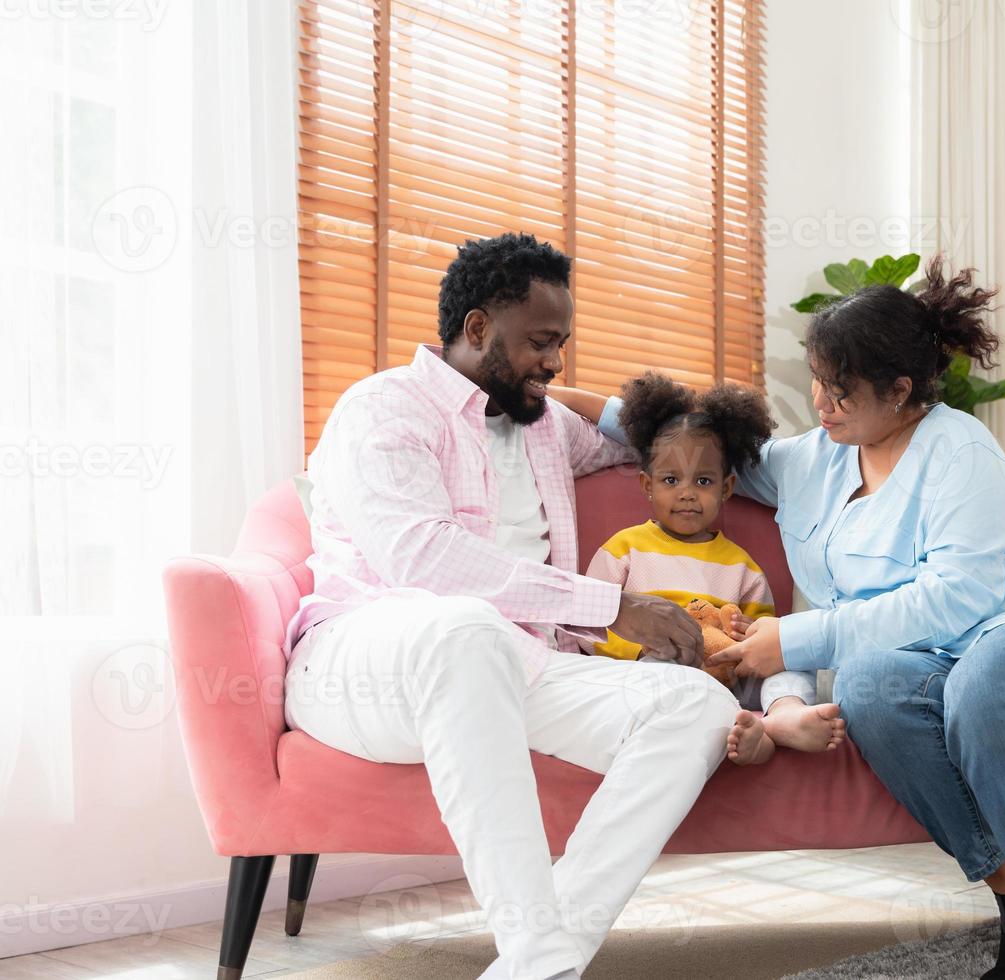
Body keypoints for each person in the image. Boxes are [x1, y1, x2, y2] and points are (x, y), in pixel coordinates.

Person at [564, 257, 1005, 980]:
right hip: (928, 661)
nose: (821, 403)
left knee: (983, 694)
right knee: (866, 688)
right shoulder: (813, 459)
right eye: (817, 383)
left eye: (840, 390)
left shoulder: (960, 453)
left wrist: (792, 638)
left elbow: (958, 598)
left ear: (900, 391)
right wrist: (559, 397)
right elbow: (687, 436)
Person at [283, 233, 738, 980]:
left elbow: (646, 442)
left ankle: (536, 963)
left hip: (519, 665)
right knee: (465, 626)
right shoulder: (382, 410)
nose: (554, 361)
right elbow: (424, 560)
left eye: (561, 343)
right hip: (366, 663)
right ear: (475, 329)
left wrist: (554, 393)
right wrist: (609, 606)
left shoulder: (542, 424)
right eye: (539, 342)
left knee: (695, 706)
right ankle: (541, 957)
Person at [560, 371, 845, 765]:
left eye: (704, 481)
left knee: (788, 665)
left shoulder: (743, 566)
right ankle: (737, 733)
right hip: (657, 671)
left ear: (726, 489)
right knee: (663, 675)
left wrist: (739, 635)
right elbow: (591, 625)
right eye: (671, 480)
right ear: (647, 485)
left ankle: (782, 716)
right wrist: (643, 647)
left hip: (729, 676)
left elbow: (760, 633)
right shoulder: (624, 549)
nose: (688, 493)